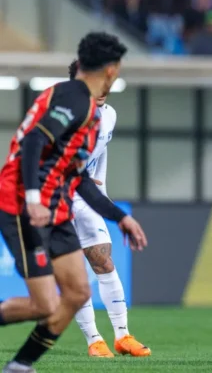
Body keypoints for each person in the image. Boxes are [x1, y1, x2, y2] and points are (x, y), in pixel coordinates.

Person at [0, 32, 148, 373]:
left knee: (78, 292)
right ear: (111, 70)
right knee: (44, 304)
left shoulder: (90, 112)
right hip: (23, 205)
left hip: (58, 204)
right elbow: (35, 140)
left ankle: (20, 366)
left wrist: (118, 217)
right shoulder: (75, 100)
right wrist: (34, 199)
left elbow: (78, 177)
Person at [67, 61, 151, 358]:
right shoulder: (64, 117)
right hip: (54, 200)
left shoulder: (109, 116)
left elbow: (100, 153)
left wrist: (99, 188)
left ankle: (122, 336)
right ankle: (94, 340)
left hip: (85, 194)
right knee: (73, 273)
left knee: (103, 259)